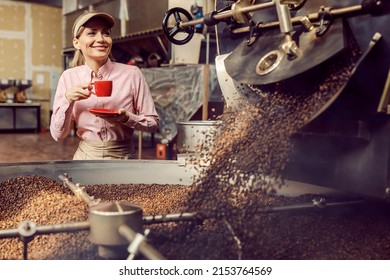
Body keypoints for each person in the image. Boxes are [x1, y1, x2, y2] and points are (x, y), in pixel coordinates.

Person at [50, 11, 159, 160]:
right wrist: (68, 100)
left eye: (106, 33)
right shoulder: (69, 77)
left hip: (124, 158)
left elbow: (152, 124)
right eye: (92, 33)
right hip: (86, 158)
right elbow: (58, 135)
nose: (101, 39)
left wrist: (127, 118)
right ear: (77, 43)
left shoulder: (132, 73)